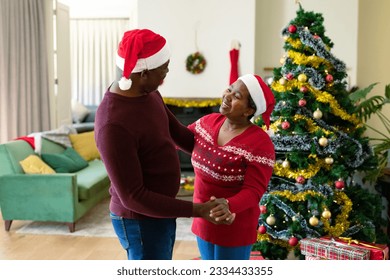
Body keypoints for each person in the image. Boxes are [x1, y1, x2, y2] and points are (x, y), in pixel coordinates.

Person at [94, 29, 234, 260]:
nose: (166, 74)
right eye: (164, 68)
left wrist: (222, 158)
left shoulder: (148, 93)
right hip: (138, 220)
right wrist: (197, 210)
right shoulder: (113, 125)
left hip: (160, 211)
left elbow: (179, 134)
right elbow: (133, 196)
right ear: (144, 73)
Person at [186, 74, 276, 260]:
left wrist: (228, 205)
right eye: (229, 89)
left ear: (248, 110)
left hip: (234, 225)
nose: (228, 96)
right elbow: (181, 139)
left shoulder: (260, 143)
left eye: (237, 97)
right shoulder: (208, 121)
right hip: (204, 219)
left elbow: (254, 190)